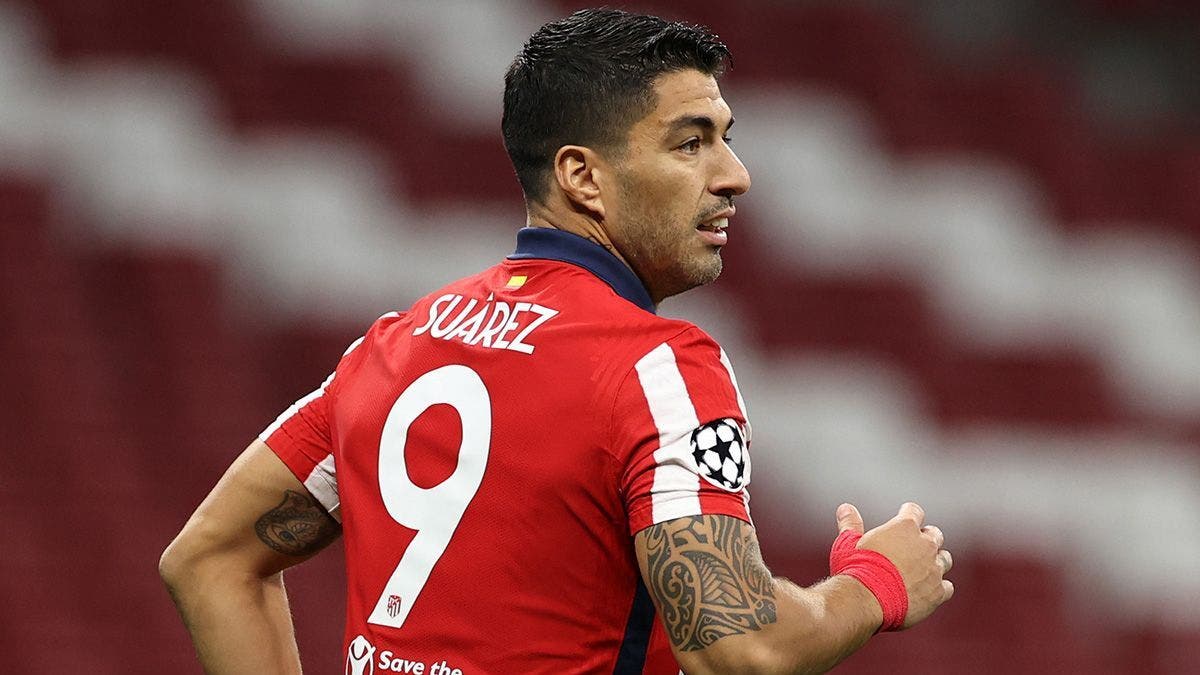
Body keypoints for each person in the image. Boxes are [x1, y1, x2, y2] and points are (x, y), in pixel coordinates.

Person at [159, 8, 953, 674]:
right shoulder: (656, 366)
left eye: (725, 137)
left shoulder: (397, 345)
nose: (734, 174)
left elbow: (210, 558)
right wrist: (875, 585)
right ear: (581, 176)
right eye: (691, 143)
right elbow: (740, 644)